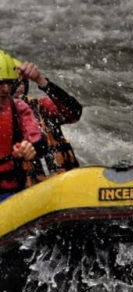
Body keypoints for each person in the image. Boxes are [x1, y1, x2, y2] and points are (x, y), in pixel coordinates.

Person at [7, 52, 82, 184]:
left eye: (22, 82)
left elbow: (74, 113)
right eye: (13, 83)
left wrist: (41, 81)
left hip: (65, 181)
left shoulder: (41, 106)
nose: (19, 88)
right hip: (28, 191)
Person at [0, 51, 46, 201]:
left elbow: (39, 142)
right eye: (0, 83)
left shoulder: (18, 108)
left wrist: (31, 148)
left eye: (9, 83)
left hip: (9, 193)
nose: (6, 89)